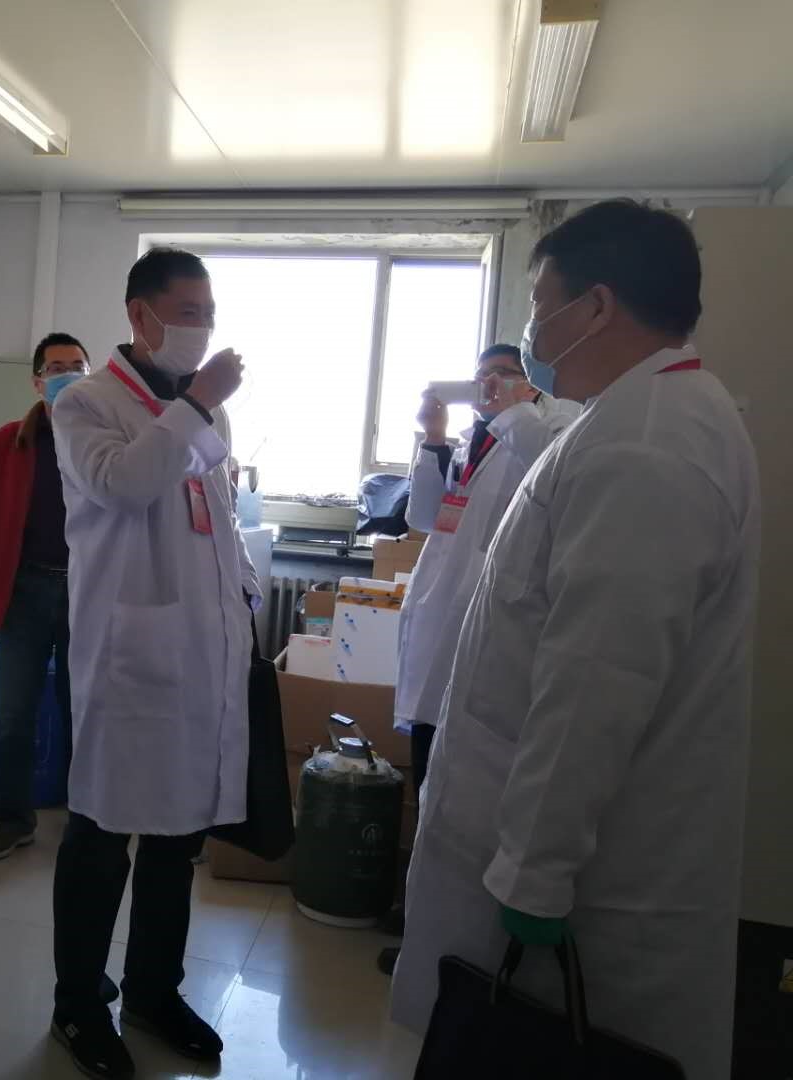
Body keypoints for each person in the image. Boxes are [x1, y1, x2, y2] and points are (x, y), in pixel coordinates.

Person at [391, 199, 760, 1080]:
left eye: (540, 302)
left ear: (595, 306)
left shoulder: (647, 445)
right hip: (545, 857)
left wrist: (534, 877)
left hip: (575, 898)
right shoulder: (633, 418)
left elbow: (598, 681)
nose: (533, 330)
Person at [49, 247, 260, 1080]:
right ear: (140, 316)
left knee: (179, 838)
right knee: (102, 837)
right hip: (128, 658)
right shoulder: (85, 403)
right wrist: (197, 403)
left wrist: (242, 602)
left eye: (210, 313)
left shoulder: (208, 416)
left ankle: (151, 992)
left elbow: (219, 518)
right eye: (188, 313)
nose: (202, 328)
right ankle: (77, 1005)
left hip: (201, 655)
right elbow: (125, 485)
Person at [376, 345, 581, 975]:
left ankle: (451, 932)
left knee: (466, 785)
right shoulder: (478, 438)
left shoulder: (559, 420)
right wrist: (436, 441)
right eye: (482, 377)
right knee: (429, 766)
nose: (488, 386)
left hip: (492, 628)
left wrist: (513, 410)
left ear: (530, 381)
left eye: (502, 376)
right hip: (442, 617)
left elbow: (548, 471)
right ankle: (420, 915)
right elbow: (426, 516)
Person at [0, 332, 91, 860]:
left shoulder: (103, 443)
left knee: (83, 713)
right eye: (56, 368)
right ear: (37, 381)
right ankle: (13, 821)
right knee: (13, 715)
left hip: (86, 593)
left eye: (77, 366)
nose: (68, 375)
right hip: (23, 591)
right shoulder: (7, 443)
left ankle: (87, 823)